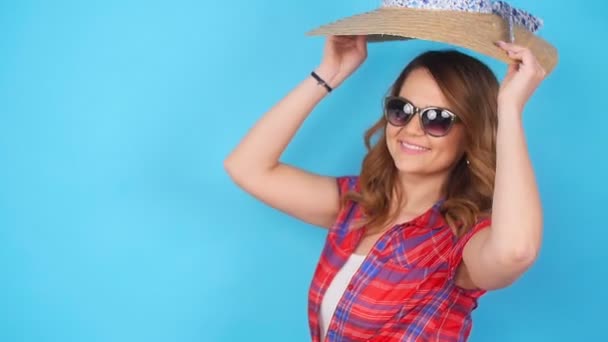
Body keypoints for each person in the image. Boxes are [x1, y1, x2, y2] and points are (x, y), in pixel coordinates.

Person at [224, 34, 547, 341]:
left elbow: (515, 252)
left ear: (471, 133)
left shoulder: (463, 238)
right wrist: (330, 73)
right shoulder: (357, 205)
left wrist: (509, 110)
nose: (412, 129)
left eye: (437, 119)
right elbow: (247, 167)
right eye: (402, 110)